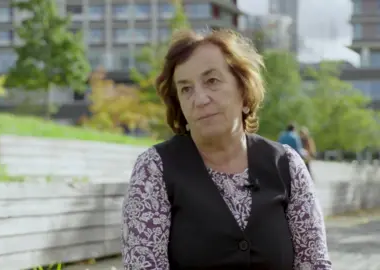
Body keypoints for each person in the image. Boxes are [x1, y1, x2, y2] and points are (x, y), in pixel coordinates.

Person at [121, 29, 331, 270]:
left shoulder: (287, 165)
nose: (199, 99)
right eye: (186, 88)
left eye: (212, 81)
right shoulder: (154, 169)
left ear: (244, 91)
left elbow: (315, 263)